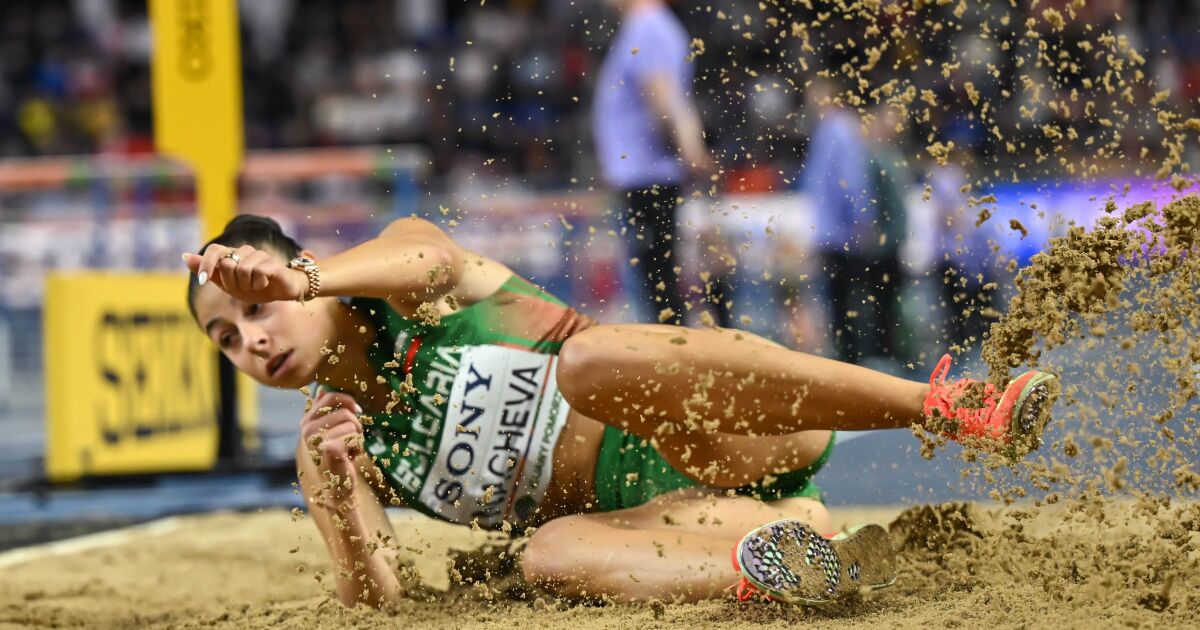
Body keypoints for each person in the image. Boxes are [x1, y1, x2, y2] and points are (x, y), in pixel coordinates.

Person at [183, 214, 1060, 608]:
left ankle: (949, 406)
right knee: (546, 555)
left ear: (295, 267)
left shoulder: (405, 291)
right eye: (226, 337)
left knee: (590, 360)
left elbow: (427, 256)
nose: (251, 338)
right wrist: (341, 496)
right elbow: (377, 602)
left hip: (739, 431)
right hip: (685, 520)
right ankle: (792, 564)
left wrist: (307, 281)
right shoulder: (332, 444)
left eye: (256, 307)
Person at [592, 0, 714, 325]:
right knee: (658, 282)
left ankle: (672, 353)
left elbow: (664, 97)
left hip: (649, 176)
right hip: (648, 173)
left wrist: (688, 151)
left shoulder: (648, 27)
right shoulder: (649, 26)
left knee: (658, 286)